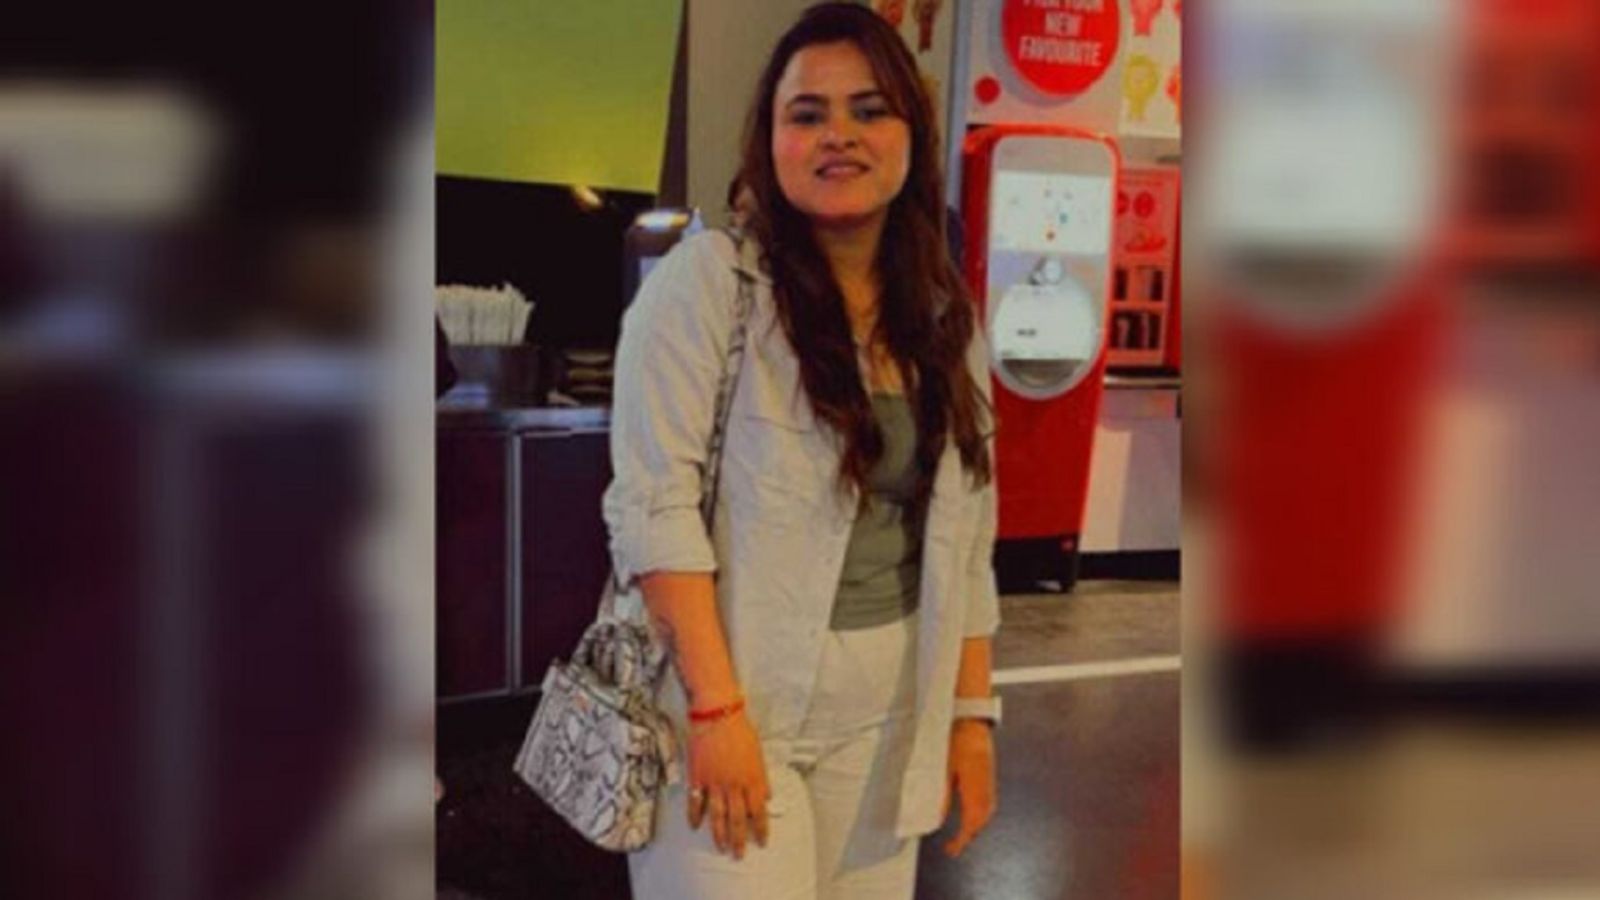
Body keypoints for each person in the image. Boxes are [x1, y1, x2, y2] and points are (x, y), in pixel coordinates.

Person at [604, 4, 999, 898]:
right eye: (808, 114)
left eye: (870, 110)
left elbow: (970, 533)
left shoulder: (944, 316)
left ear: (912, 133)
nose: (839, 136)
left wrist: (970, 716)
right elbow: (654, 512)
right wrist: (715, 711)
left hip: (890, 713)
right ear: (771, 142)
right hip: (736, 698)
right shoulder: (710, 285)